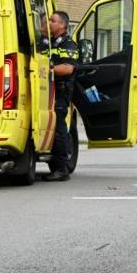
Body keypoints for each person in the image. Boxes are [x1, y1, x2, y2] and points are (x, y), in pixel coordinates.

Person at [42, 11, 79, 182]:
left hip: (61, 93)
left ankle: (61, 169)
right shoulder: (47, 42)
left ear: (63, 25)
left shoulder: (68, 44)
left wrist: (46, 69)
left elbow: (67, 68)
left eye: (53, 21)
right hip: (46, 91)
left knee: (59, 129)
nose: (49, 23)